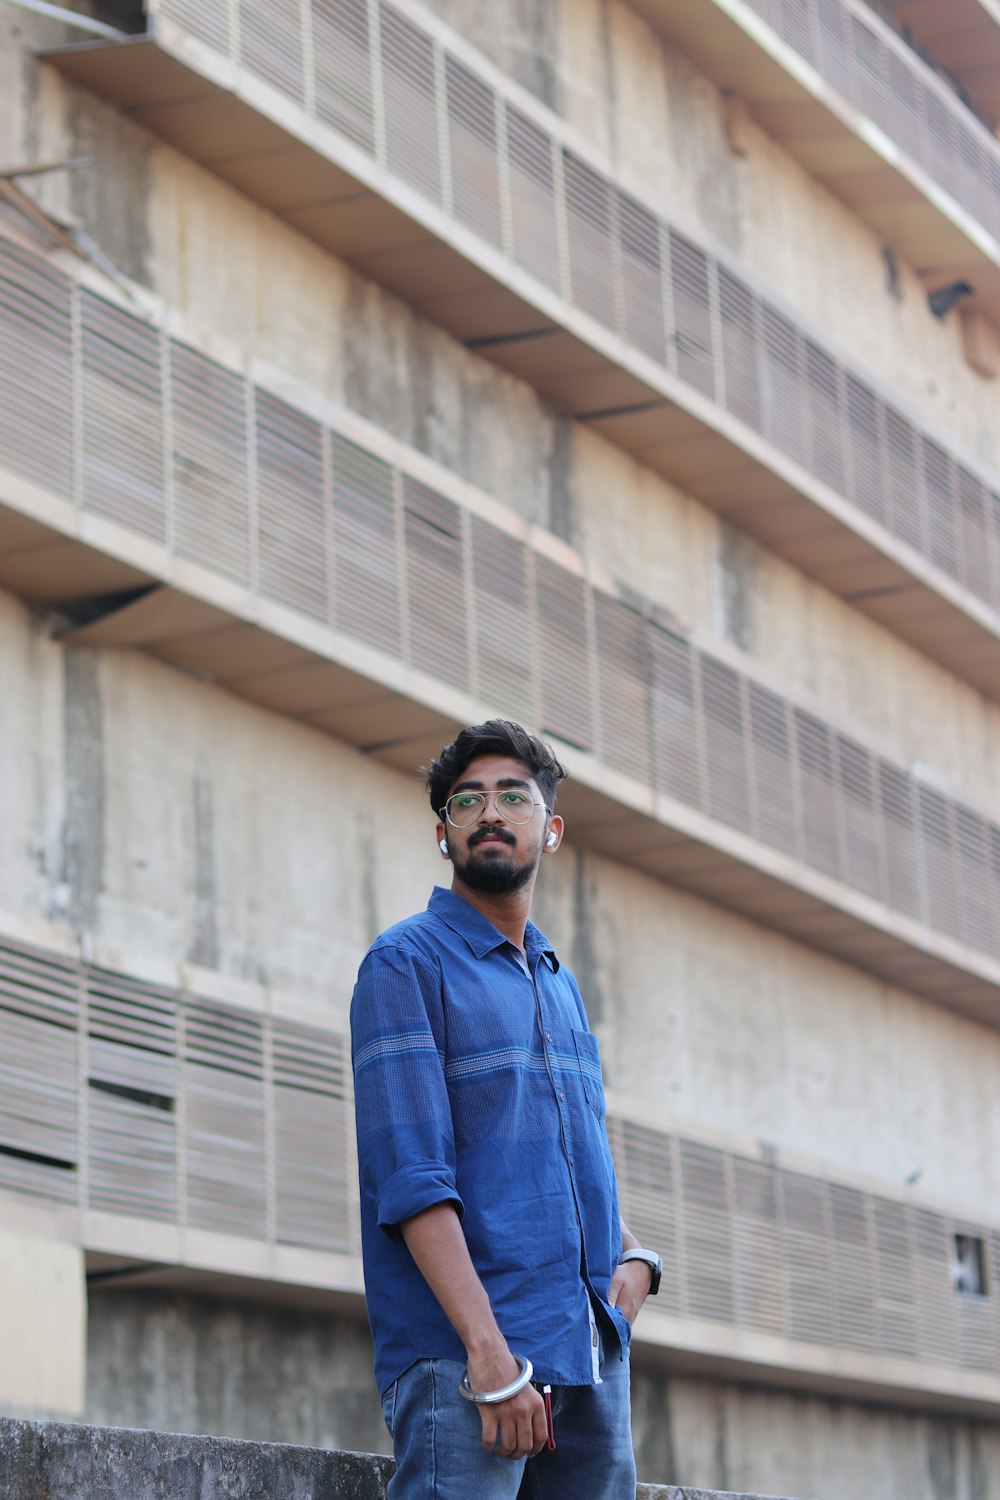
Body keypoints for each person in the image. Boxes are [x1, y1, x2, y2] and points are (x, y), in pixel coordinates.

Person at [350, 719, 662, 1499]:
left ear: (550, 829)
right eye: (468, 801)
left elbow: (567, 1143)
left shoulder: (556, 978)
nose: (490, 812)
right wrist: (488, 1356)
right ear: (442, 833)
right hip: (467, 1366)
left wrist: (635, 1261)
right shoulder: (406, 964)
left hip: (586, 1357)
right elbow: (414, 1179)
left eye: (512, 797)